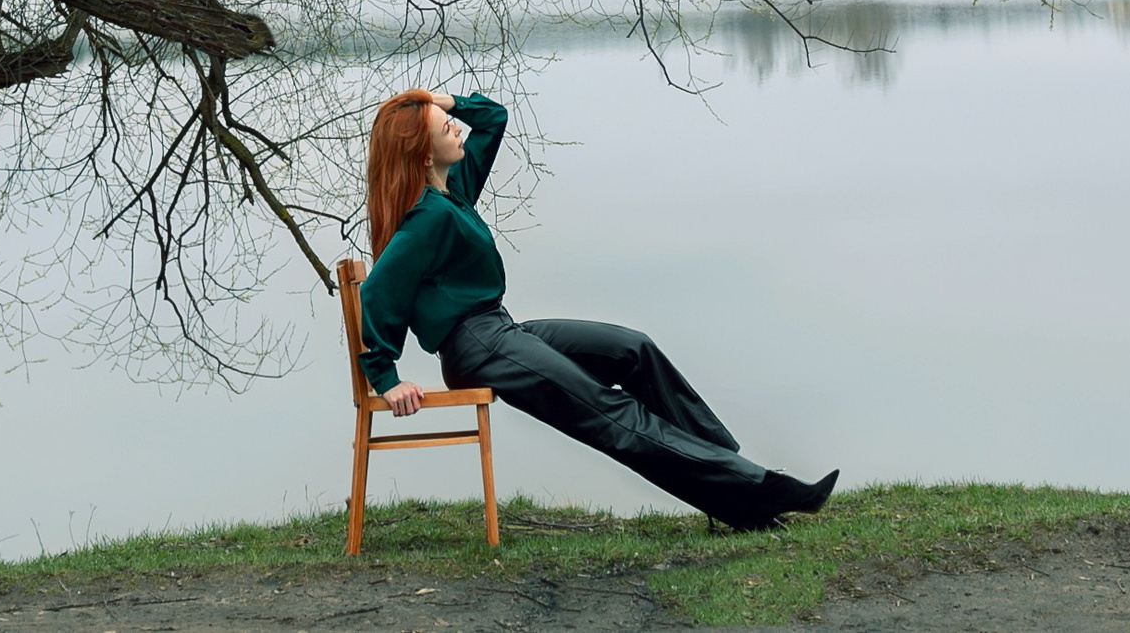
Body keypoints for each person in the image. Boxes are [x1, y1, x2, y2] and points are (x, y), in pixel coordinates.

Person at [357, 87, 837, 531]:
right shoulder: (424, 221)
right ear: (423, 154)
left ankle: (732, 481)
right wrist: (387, 378)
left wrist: (433, 100)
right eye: (445, 129)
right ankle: (757, 489)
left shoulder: (452, 190)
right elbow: (377, 293)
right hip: (477, 347)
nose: (457, 128)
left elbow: (492, 118)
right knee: (608, 412)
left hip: (499, 331)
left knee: (633, 349)